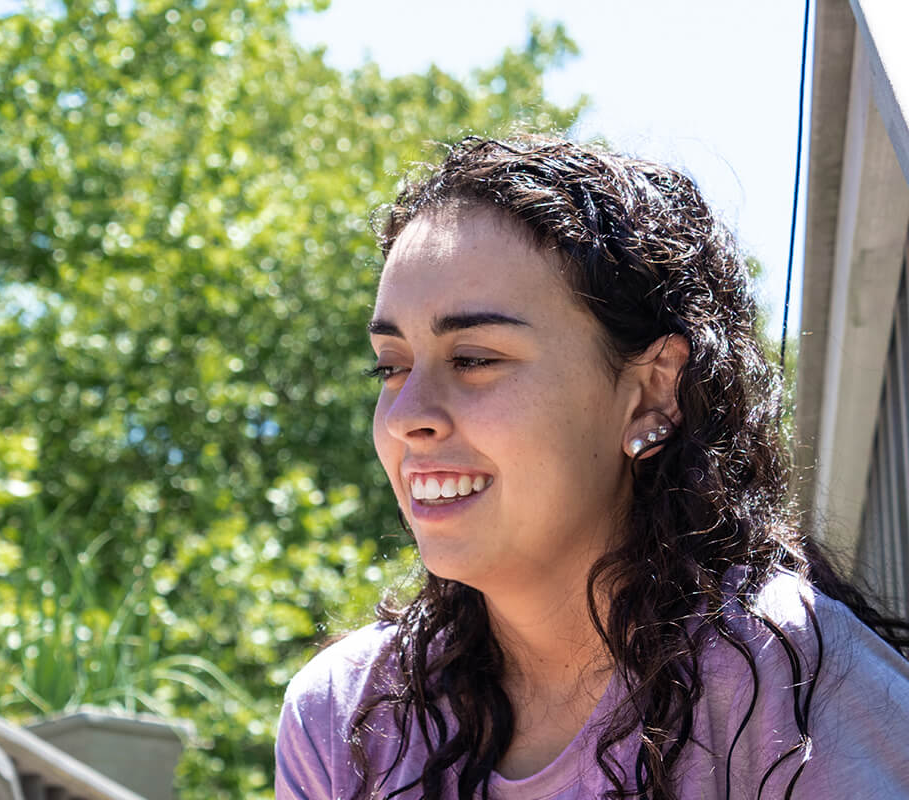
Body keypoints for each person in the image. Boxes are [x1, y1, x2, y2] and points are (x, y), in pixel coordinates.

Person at [274, 136, 909, 800]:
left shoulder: (792, 678)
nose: (408, 416)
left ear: (651, 392)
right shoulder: (342, 718)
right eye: (392, 366)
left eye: (474, 359)